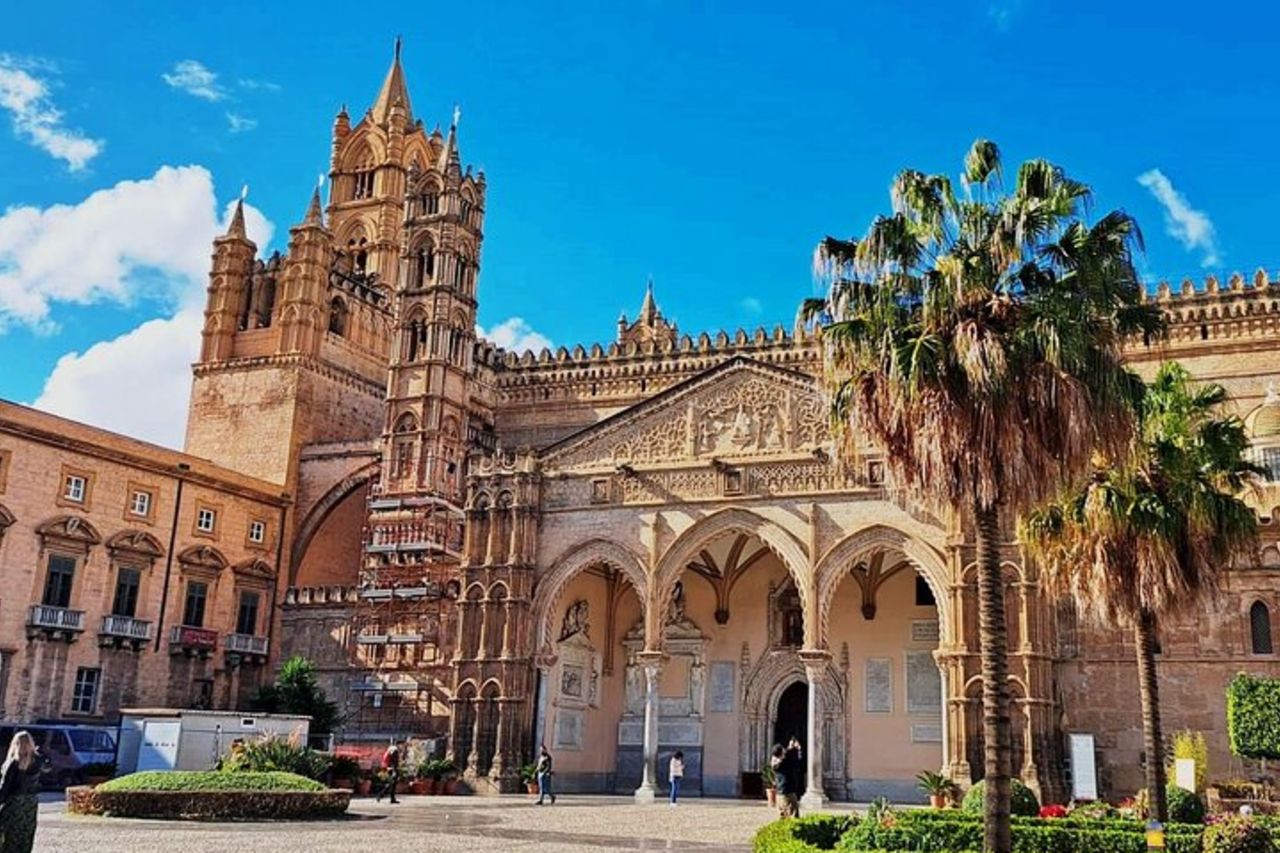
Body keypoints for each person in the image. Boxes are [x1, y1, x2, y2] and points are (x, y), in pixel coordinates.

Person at [0, 731, 44, 853]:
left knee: (8, 836)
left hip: (15, 803)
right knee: (25, 835)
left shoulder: (13, 763)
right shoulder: (37, 762)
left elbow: (5, 787)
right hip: (30, 803)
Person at [775, 737, 804, 819]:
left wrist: (797, 750)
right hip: (788, 792)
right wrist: (794, 748)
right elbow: (787, 758)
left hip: (781, 792)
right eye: (783, 750)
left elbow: (798, 761)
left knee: (783, 817)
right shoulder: (781, 763)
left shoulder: (778, 763)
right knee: (793, 815)